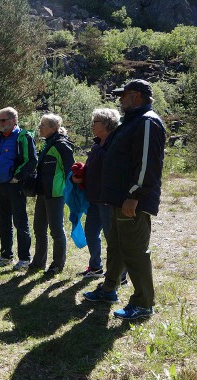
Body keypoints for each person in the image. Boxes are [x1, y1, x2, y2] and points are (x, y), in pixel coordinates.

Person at [83, 79, 166, 320]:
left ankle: (143, 303)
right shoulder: (131, 123)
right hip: (117, 199)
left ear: (137, 97)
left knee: (134, 251)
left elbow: (148, 164)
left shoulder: (147, 121)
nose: (120, 100)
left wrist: (134, 195)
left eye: (124, 95)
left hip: (131, 201)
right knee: (117, 248)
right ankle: (109, 290)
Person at [74, 108, 127, 285]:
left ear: (106, 124)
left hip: (108, 200)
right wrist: (80, 175)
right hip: (94, 198)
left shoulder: (116, 143)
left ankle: (121, 275)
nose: (92, 125)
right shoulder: (97, 144)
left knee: (112, 238)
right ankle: (96, 267)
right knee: (91, 232)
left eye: (95, 121)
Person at [0, 107, 38, 270]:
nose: (0, 123)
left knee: (20, 223)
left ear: (14, 121)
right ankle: (6, 256)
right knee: (3, 222)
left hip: (15, 187)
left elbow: (31, 161)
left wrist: (17, 177)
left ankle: (24, 259)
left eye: (3, 120)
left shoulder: (23, 137)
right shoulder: (0, 138)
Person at [29, 113, 75, 276]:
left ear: (53, 128)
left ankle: (57, 265)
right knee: (39, 228)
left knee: (56, 230)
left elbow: (71, 171)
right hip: (42, 192)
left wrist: (67, 191)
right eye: (40, 125)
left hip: (55, 194)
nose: (39, 128)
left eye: (43, 125)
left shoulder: (61, 145)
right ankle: (38, 263)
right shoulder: (48, 143)